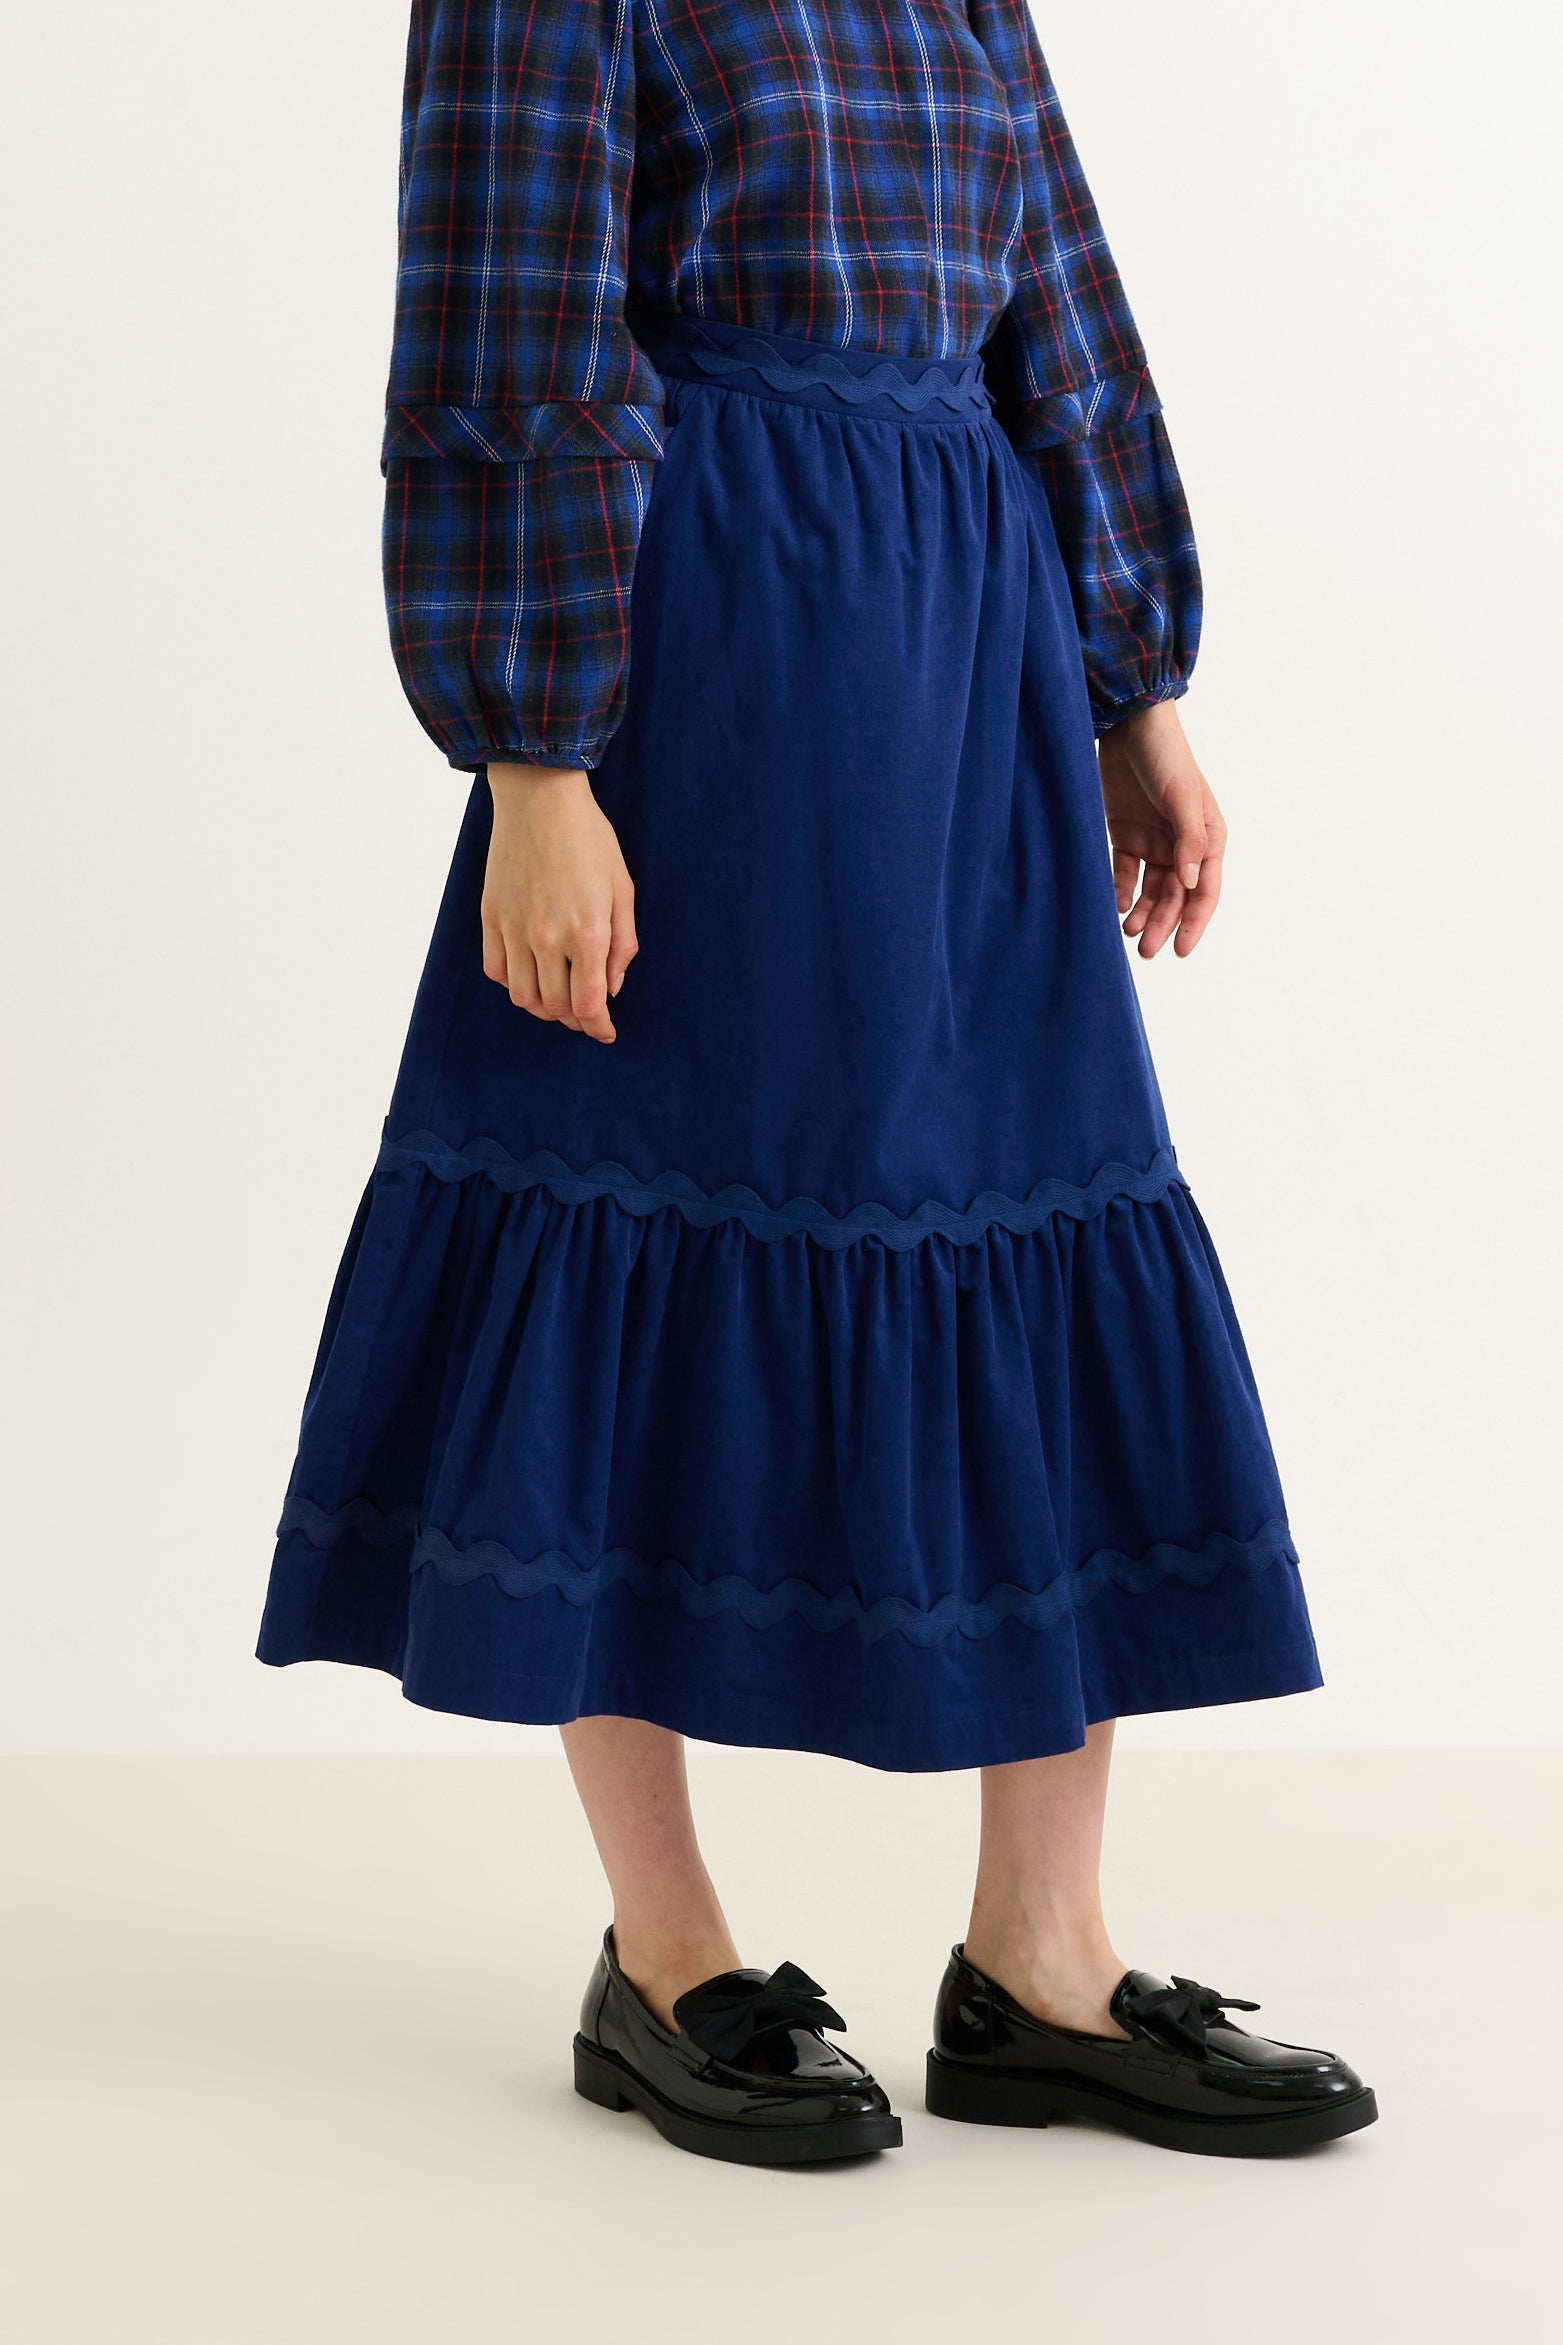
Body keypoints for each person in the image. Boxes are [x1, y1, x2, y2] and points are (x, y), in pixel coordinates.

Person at [258, 0, 1376, 2165]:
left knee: (1044, 1206)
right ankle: (667, 1953)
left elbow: (1057, 302)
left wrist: (1134, 687)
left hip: (970, 655)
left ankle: (1042, 1964)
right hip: (712, 644)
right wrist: (535, 763)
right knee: (623, 1206)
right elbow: (505, 333)